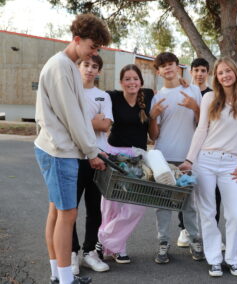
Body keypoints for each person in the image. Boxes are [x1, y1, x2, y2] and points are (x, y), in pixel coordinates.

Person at [34, 14, 111, 284]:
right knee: (67, 214)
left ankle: (58, 275)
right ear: (77, 40)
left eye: (98, 49)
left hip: (59, 149)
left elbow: (75, 116)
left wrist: (92, 150)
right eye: (92, 47)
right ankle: (66, 280)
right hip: (58, 151)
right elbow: (73, 117)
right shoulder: (60, 67)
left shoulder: (66, 65)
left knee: (57, 212)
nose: (94, 53)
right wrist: (92, 152)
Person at [179, 57, 237, 277]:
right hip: (206, 161)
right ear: (217, 77)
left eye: (228, 71)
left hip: (231, 163)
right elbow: (201, 130)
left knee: (236, 214)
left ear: (236, 73)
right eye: (221, 73)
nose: (225, 76)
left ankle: (232, 259)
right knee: (208, 212)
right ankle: (214, 259)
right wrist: (189, 160)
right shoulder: (209, 98)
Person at [149, 52, 204, 264]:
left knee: (188, 203)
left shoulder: (193, 91)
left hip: (187, 157)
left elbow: (202, 125)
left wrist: (195, 108)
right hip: (163, 158)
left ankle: (194, 240)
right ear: (159, 71)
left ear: (177, 66)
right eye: (163, 66)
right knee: (162, 204)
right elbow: (154, 135)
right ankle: (163, 243)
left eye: (171, 64)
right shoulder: (157, 97)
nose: (168, 68)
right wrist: (153, 116)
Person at [96, 64, 153, 264]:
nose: (131, 82)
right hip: (114, 154)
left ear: (141, 82)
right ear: (121, 82)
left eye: (135, 78)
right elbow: (95, 102)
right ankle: (118, 248)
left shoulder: (148, 95)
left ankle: (104, 238)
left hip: (138, 157)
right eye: (127, 79)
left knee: (136, 205)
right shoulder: (112, 97)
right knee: (111, 204)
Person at [70, 55, 112, 275]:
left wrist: (87, 124)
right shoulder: (70, 92)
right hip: (73, 158)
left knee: (95, 209)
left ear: (99, 72)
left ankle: (89, 252)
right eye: (86, 65)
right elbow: (69, 125)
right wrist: (91, 123)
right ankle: (73, 253)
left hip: (97, 160)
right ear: (78, 67)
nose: (89, 69)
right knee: (71, 210)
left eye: (94, 66)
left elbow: (105, 125)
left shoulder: (103, 96)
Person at [177, 58, 224, 250]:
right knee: (185, 191)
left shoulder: (215, 96)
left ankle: (213, 232)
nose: (199, 74)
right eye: (196, 70)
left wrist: (196, 108)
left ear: (208, 73)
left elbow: (212, 124)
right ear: (190, 72)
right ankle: (185, 229)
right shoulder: (184, 91)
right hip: (187, 149)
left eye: (203, 70)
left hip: (209, 152)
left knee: (213, 194)